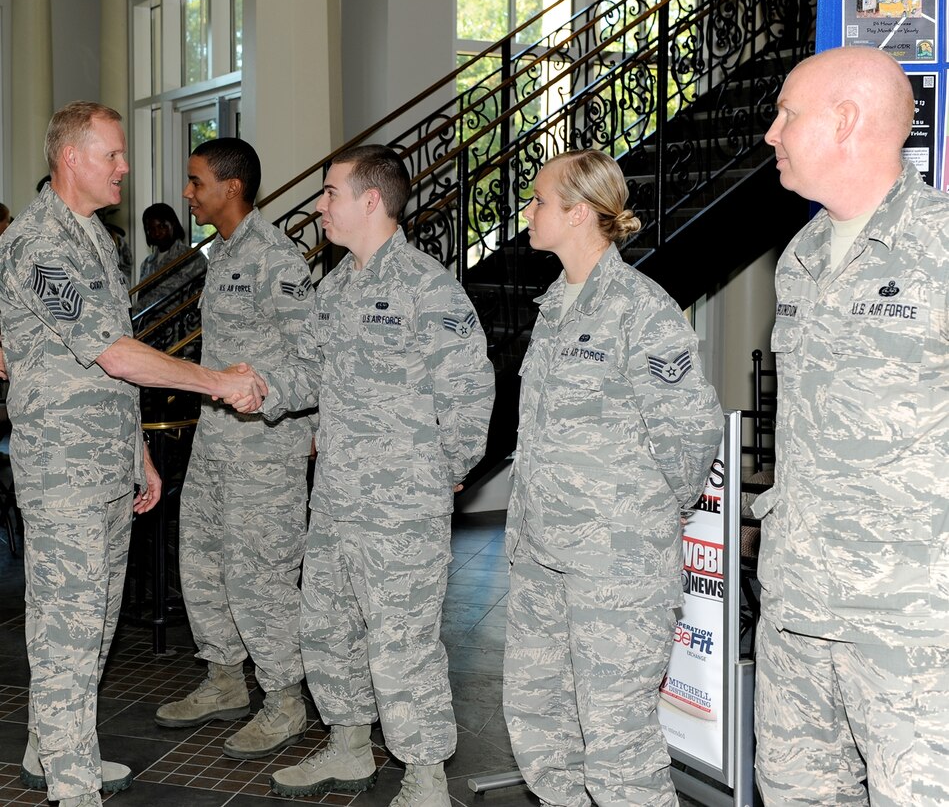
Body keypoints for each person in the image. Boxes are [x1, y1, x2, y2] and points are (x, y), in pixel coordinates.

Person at [0, 101, 267, 807]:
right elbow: (116, 356)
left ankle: (50, 749)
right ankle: (73, 785)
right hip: (63, 473)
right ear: (72, 160)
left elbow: (98, 366)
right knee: (68, 625)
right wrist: (215, 382)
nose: (125, 167)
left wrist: (138, 454)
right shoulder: (40, 244)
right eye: (113, 155)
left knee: (92, 622)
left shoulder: (93, 235)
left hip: (104, 464)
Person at [262, 144, 495, 806]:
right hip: (336, 496)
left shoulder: (427, 286)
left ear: (370, 200)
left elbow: (468, 390)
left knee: (401, 640)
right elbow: (306, 372)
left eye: (330, 193)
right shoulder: (337, 284)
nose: (319, 206)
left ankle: (424, 778)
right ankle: (347, 744)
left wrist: (438, 473)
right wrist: (254, 386)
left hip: (400, 504)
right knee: (328, 625)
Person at [752, 46, 949, 806]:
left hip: (908, 622)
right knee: (795, 791)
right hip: (798, 605)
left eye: (786, 114)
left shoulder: (937, 246)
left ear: (844, 120)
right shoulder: (799, 254)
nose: (771, 133)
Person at [502, 149, 722, 806]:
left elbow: (690, 431)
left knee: (617, 744)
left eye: (539, 200)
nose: (529, 212)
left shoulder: (637, 308)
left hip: (614, 566)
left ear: (577, 213)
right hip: (542, 552)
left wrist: (639, 520)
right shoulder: (554, 306)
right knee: (539, 721)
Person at [152, 137, 315, 761]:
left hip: (265, 450)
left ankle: (284, 700)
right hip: (216, 441)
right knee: (202, 562)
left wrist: (274, 401)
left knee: (261, 577)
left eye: (196, 182)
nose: (188, 193)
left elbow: (311, 361)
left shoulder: (278, 259)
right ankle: (224, 679)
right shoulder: (220, 254)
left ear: (232, 187)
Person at [136, 202, 205, 314]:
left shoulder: (192, 258)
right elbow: (141, 303)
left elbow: (203, 301)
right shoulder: (146, 264)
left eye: (161, 226)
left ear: (173, 224)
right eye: (151, 229)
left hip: (180, 328)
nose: (157, 233)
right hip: (148, 329)